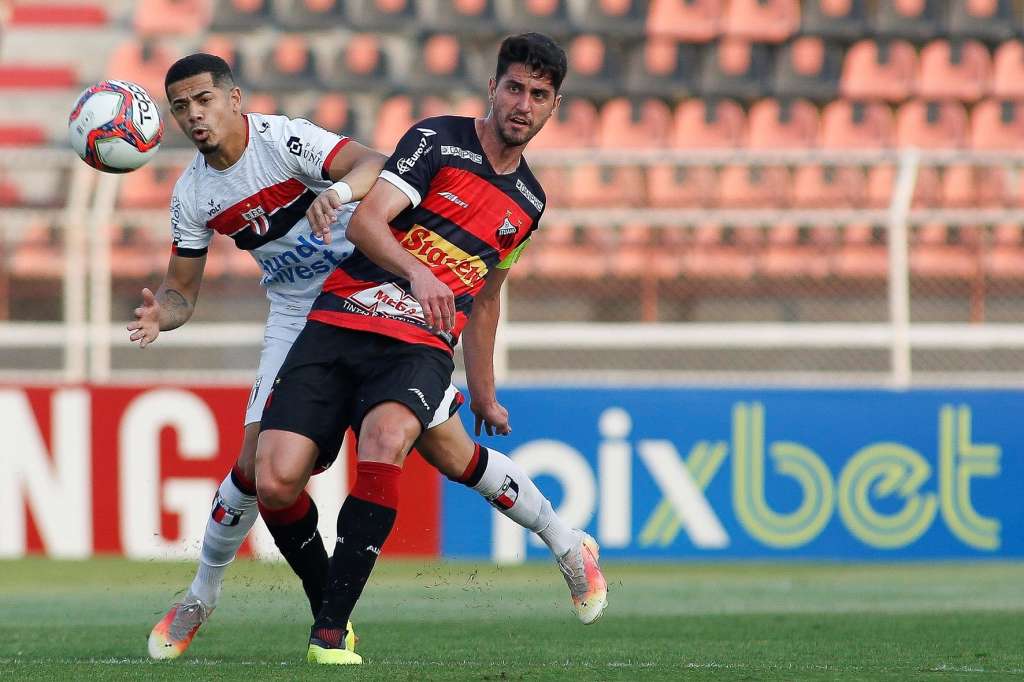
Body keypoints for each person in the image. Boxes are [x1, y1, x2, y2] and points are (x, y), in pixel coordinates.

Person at [136, 48, 604, 663]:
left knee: (449, 452)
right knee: (261, 469)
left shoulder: (283, 140)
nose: (195, 115)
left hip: (386, 290)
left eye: (203, 100)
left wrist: (335, 192)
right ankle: (210, 596)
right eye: (181, 108)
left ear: (233, 98)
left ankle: (567, 544)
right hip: (312, 309)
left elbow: (372, 167)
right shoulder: (193, 193)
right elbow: (180, 292)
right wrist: (161, 315)